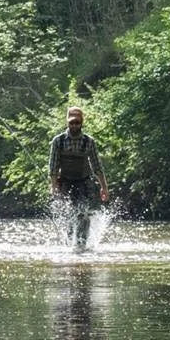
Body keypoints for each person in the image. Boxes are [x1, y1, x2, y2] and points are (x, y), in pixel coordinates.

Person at [48, 106, 108, 251]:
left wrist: (104, 187)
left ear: (82, 122)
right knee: (69, 213)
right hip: (65, 182)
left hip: (83, 182)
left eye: (77, 122)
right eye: (71, 123)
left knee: (83, 213)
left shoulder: (89, 141)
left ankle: (82, 244)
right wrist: (54, 186)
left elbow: (97, 166)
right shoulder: (58, 141)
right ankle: (69, 244)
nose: (74, 125)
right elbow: (53, 167)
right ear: (67, 123)